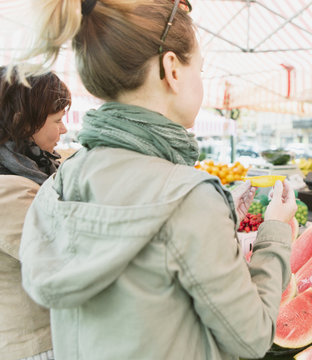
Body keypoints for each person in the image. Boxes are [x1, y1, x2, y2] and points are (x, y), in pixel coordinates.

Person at [17, 1, 297, 360]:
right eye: (200, 68)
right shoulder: (190, 200)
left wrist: (217, 213)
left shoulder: (58, 182)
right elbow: (252, 337)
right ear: (172, 69)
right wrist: (275, 232)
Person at [0, 67, 71, 360]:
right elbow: (63, 256)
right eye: (57, 120)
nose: (64, 129)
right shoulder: (9, 189)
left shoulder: (36, 168)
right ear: (23, 122)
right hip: (35, 346)